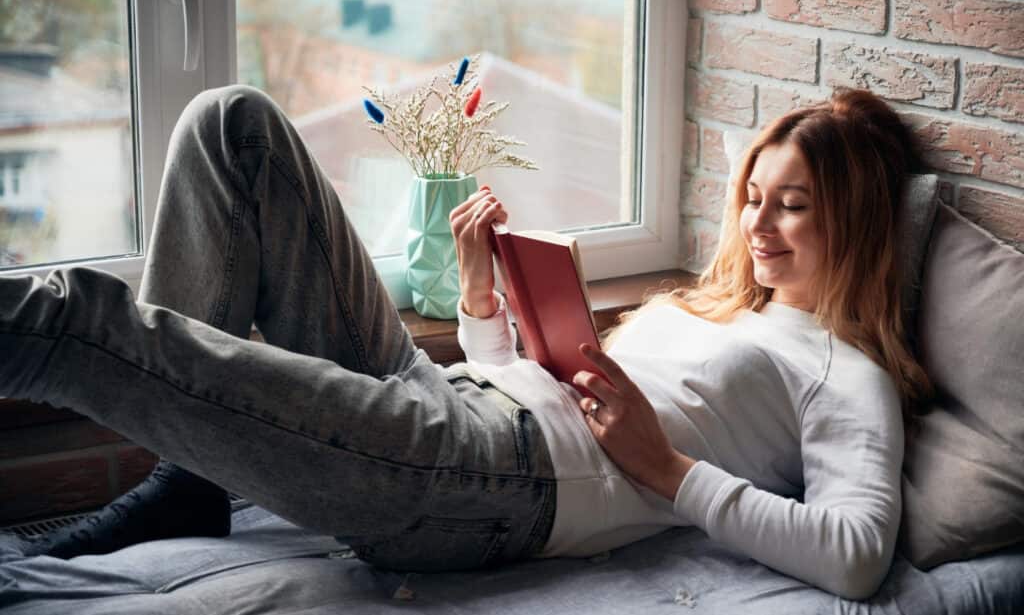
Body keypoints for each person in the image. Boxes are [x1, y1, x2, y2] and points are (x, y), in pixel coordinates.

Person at [0, 84, 931, 600]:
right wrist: (485, 305)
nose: (760, 224)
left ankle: (182, 476)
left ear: (851, 219)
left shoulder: (846, 376)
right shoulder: (720, 306)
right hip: (457, 403)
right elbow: (536, 385)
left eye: (794, 205)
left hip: (490, 483)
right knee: (229, 125)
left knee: (82, 317)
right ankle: (190, 478)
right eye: (754, 197)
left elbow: (855, 553)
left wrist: (670, 469)